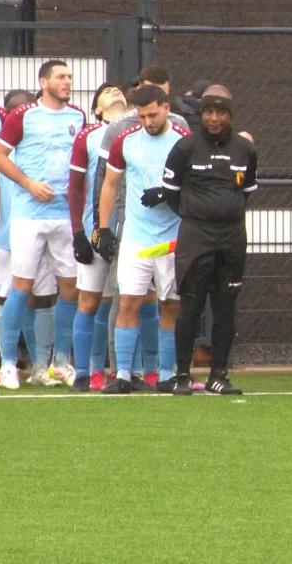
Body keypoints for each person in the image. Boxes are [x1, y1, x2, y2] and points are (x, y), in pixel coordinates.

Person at [0, 60, 87, 389]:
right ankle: (7, 364)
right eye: (61, 77)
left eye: (69, 76)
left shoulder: (78, 116)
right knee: (21, 285)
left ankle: (58, 362)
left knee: (70, 287)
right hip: (29, 214)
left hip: (64, 215)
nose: (67, 81)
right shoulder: (22, 115)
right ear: (44, 82)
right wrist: (29, 184)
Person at [157, 84, 258, 395]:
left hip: (232, 238)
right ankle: (182, 375)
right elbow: (171, 194)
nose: (214, 118)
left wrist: (225, 213)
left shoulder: (245, 150)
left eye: (220, 113)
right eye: (209, 112)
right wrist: (197, 215)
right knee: (190, 305)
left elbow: (246, 192)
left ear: (230, 115)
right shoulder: (186, 147)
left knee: (226, 306)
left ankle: (218, 375)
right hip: (196, 237)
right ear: (202, 114)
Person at [95, 84, 190, 394]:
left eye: (153, 115)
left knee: (170, 305)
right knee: (128, 302)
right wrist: (104, 228)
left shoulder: (183, 140)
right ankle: (123, 374)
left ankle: (167, 374)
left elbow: (195, 183)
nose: (148, 122)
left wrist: (167, 193)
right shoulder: (125, 140)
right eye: (142, 116)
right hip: (136, 236)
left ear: (166, 108)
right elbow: (110, 184)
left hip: (172, 238)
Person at [0, 90, 59, 386]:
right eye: (19, 113)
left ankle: (41, 367)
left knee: (44, 299)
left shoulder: (48, 145)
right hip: (6, 238)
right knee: (6, 298)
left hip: (43, 233)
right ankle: (8, 364)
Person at [66, 83, 128, 391]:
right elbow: (76, 187)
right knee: (89, 300)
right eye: (107, 91)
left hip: (129, 231)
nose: (115, 90)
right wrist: (78, 232)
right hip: (95, 230)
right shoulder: (87, 136)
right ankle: (84, 371)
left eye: (118, 89)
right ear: (96, 110)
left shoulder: (137, 132)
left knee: (129, 302)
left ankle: (130, 370)